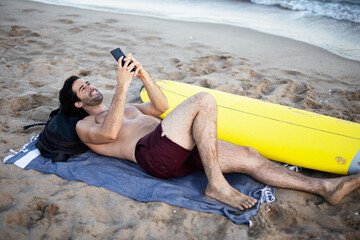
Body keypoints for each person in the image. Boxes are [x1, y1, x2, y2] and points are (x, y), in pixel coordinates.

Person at [60, 54, 360, 211]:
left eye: (88, 81)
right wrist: (122, 85)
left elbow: (161, 105)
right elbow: (111, 134)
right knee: (203, 100)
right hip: (152, 155)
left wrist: (142, 74)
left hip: (179, 146)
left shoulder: (126, 108)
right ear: (77, 102)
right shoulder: (85, 125)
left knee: (249, 156)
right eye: (83, 88)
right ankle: (216, 185)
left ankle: (324, 189)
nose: (90, 86)